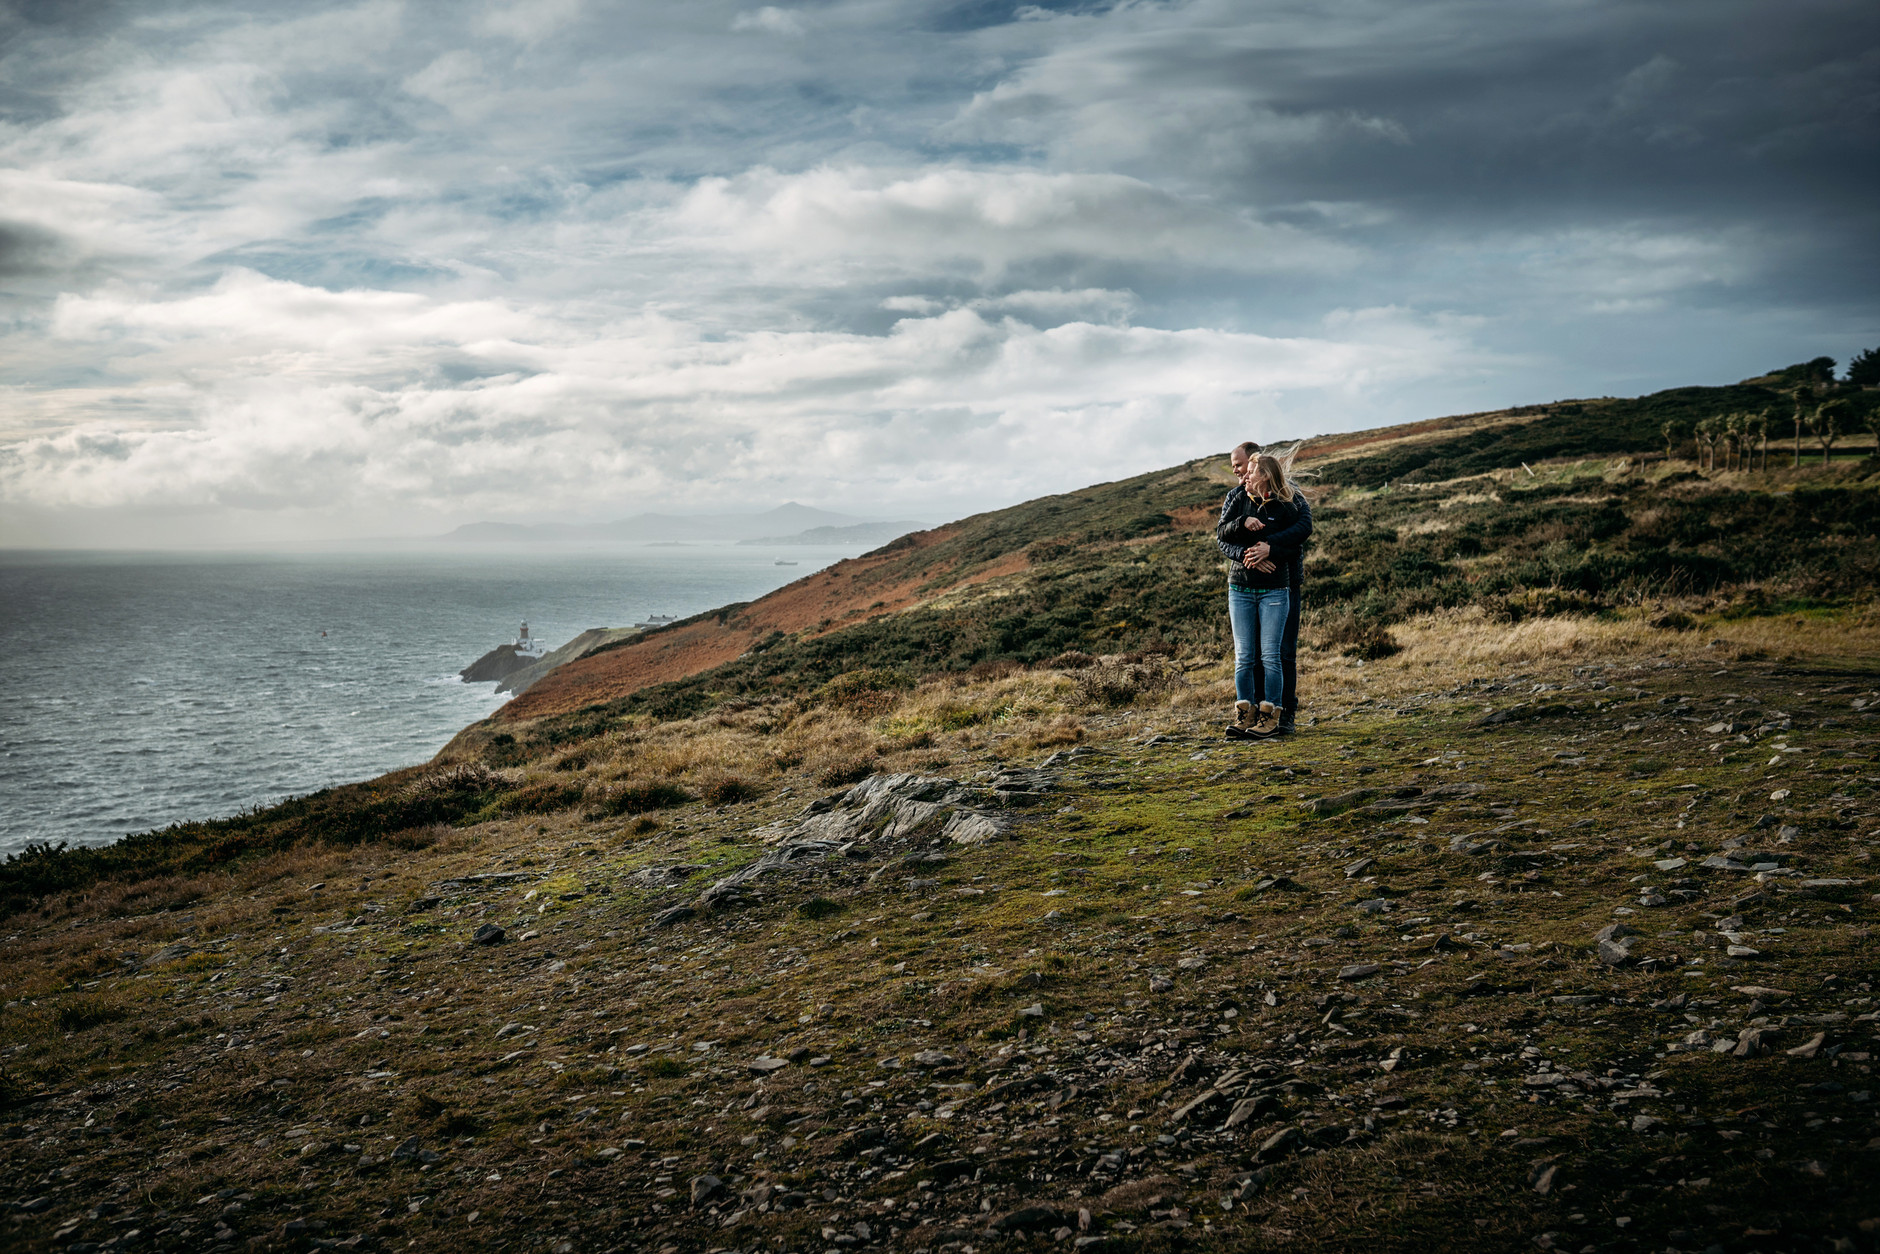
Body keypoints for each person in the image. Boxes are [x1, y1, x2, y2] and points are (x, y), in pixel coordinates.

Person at [1216, 442, 1313, 734]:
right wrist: (1248, 559)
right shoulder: (1235, 497)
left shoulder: (1288, 492)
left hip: (1285, 583)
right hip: (1248, 582)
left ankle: (1285, 716)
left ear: (1258, 465)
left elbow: (1303, 528)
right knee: (1253, 654)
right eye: (1234, 465)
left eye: (1240, 464)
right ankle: (1257, 712)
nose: (1236, 470)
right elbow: (1222, 538)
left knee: (1282, 652)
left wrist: (1270, 550)